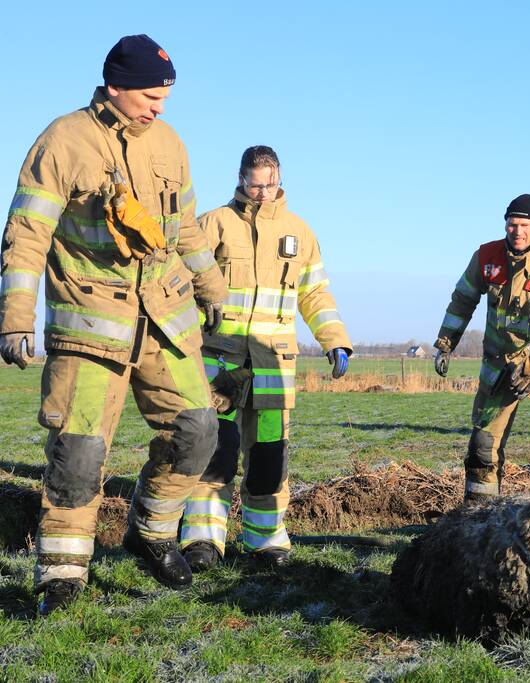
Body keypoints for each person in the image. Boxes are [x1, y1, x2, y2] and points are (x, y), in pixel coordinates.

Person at [0, 35, 227, 615]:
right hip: (90, 327)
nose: (159, 108)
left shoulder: (170, 143)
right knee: (77, 455)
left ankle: (149, 532)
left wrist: (213, 289)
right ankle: (61, 576)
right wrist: (15, 316)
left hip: (166, 320)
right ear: (115, 86)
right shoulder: (62, 141)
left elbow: (188, 232)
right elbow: (26, 236)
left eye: (166, 97)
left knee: (199, 430)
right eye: (150, 96)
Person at [179, 146, 353, 571]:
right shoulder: (214, 223)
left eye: (269, 183)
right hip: (219, 363)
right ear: (241, 179)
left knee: (270, 459)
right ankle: (202, 542)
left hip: (274, 367)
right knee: (214, 454)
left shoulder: (300, 232)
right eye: (255, 184)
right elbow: (183, 282)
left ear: (280, 179)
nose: (262, 192)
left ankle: (266, 542)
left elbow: (314, 292)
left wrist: (335, 339)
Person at [433, 194, 530, 500]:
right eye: (512, 224)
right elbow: (462, 300)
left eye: (524, 224)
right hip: (500, 367)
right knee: (482, 448)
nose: (517, 231)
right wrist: (445, 343)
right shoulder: (486, 257)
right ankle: (477, 519)